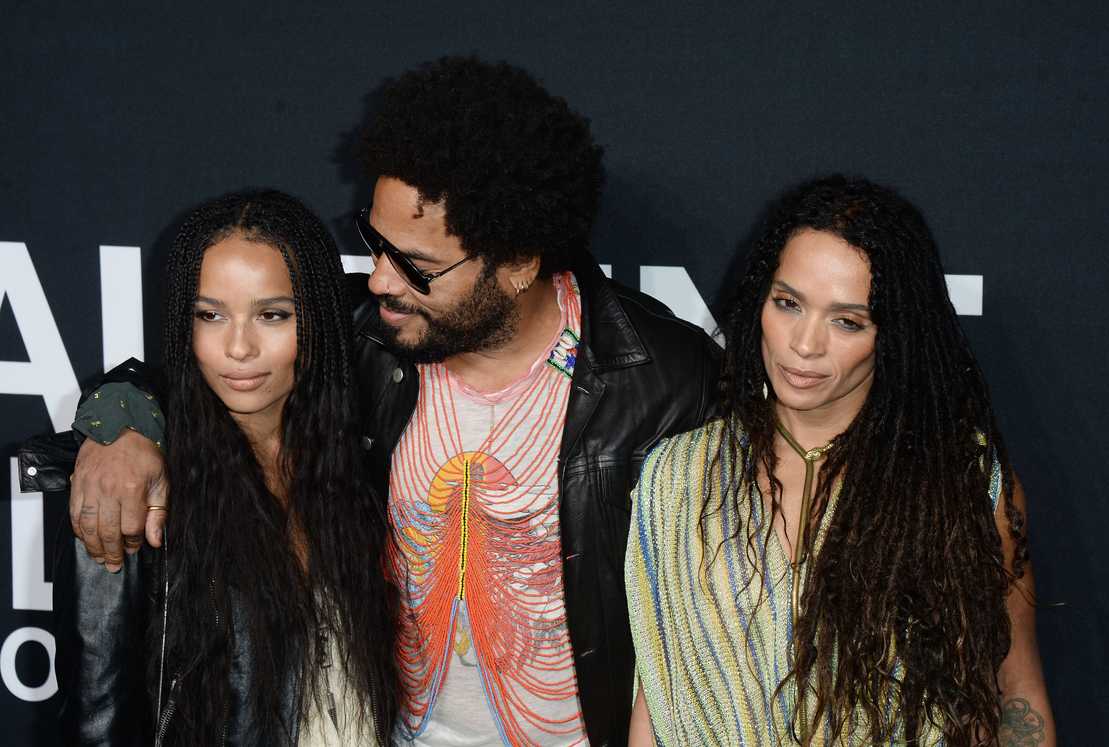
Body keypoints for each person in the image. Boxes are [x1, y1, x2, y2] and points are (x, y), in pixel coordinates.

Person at [62, 57, 720, 745]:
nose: (379, 279)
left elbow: (706, 624)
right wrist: (123, 422)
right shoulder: (366, 342)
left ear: (522, 262)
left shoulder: (668, 382)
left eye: (416, 265)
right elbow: (212, 380)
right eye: (375, 244)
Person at [625, 175, 1054, 746]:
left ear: (892, 334)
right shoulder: (678, 478)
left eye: (847, 321)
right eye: (788, 304)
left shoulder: (966, 485)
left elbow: (1014, 690)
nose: (804, 344)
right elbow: (659, 698)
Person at [39, 191, 399, 744]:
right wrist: (119, 415)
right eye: (210, 315)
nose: (238, 347)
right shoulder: (134, 487)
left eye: (272, 315)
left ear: (319, 320)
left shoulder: (366, 458)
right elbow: (97, 720)